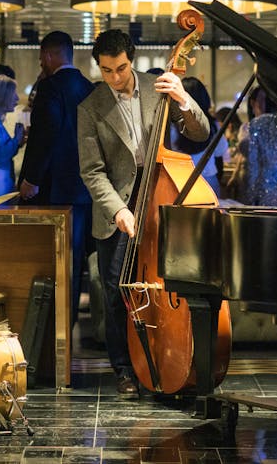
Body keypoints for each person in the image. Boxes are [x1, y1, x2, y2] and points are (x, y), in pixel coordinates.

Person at [77, 29, 210, 398]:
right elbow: (92, 171)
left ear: (130, 60)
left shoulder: (160, 86)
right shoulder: (89, 108)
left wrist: (184, 99)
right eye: (106, 70)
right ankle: (124, 369)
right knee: (119, 288)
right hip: (117, 206)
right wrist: (118, 209)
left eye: (120, 68)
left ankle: (165, 356)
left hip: (160, 194)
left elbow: (200, 134)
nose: (114, 78)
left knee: (164, 283)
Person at [19, 31, 96, 329]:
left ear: (50, 56)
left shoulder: (50, 88)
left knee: (49, 258)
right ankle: (70, 320)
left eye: (41, 57)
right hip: (84, 187)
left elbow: (45, 134)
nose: (41, 62)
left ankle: (51, 325)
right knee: (74, 262)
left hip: (53, 188)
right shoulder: (90, 88)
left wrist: (32, 178)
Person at [171, 76, 222, 197]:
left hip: (180, 181)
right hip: (209, 180)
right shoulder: (214, 125)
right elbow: (220, 158)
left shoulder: (172, 126)